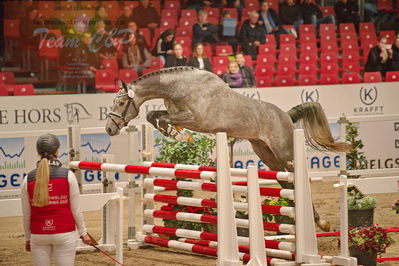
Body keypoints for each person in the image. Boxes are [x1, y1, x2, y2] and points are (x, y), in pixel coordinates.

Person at [21, 134, 91, 266]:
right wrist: (83, 233)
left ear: (38, 153)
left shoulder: (27, 179)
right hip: (64, 232)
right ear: (57, 151)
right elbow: (76, 210)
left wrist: (28, 238)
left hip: (39, 234)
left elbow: (26, 214)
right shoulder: (68, 175)